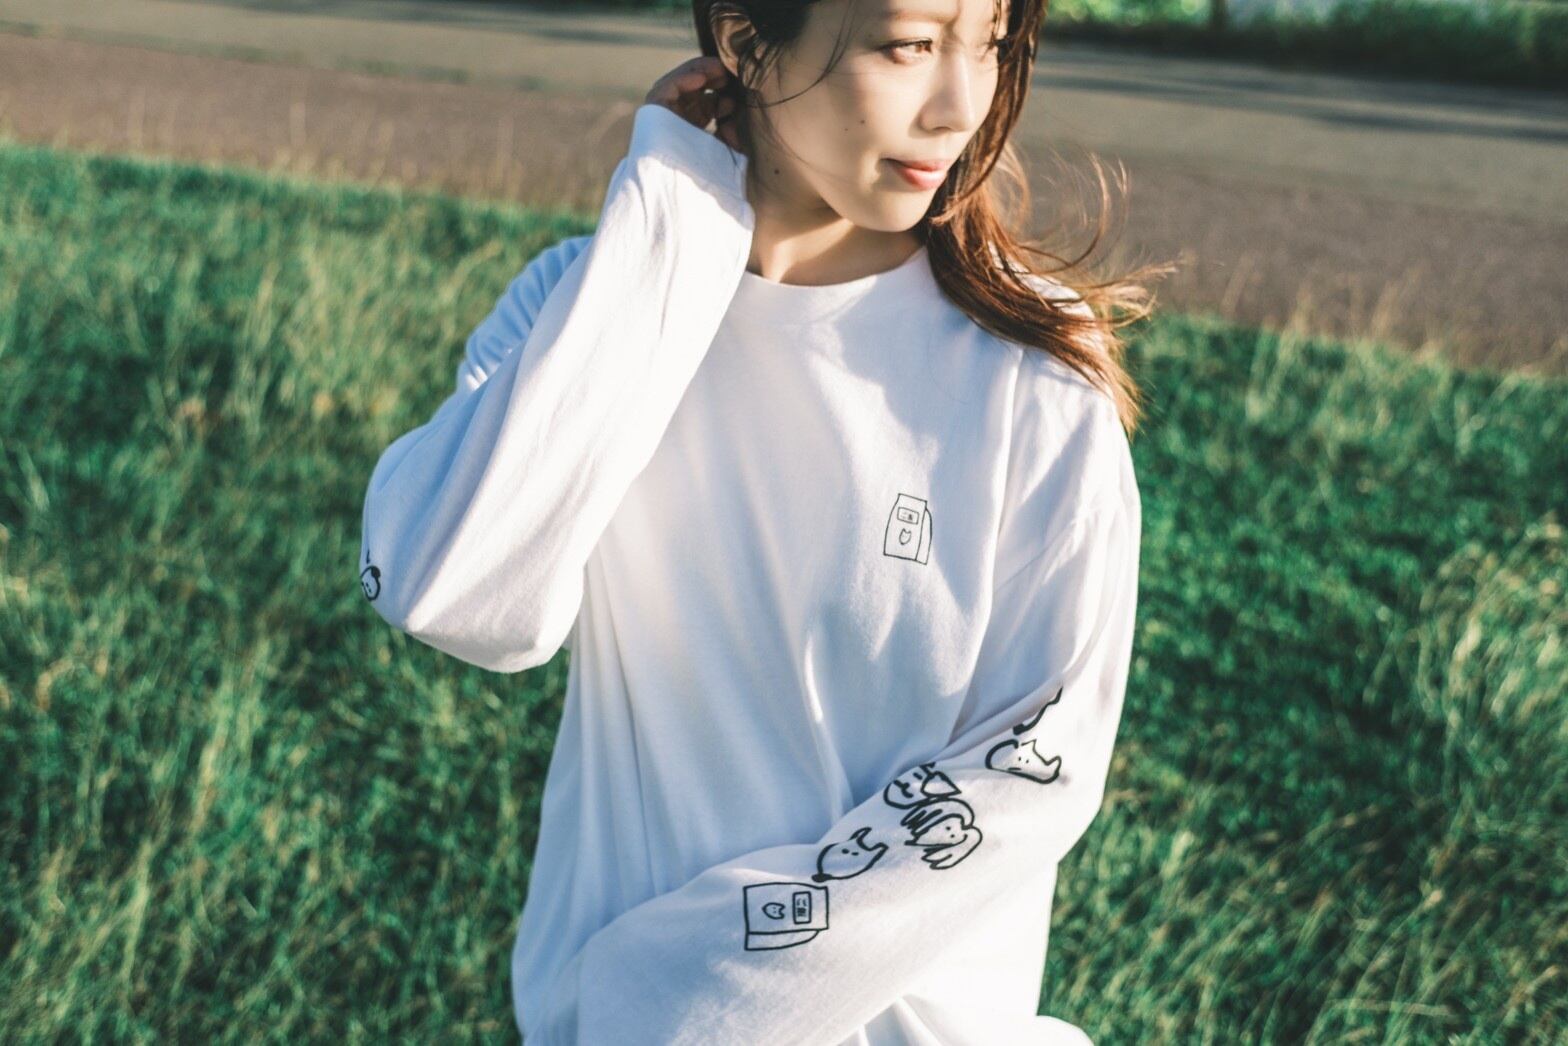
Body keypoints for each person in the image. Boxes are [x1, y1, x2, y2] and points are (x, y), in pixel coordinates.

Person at [357, 0, 1172, 1041]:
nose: (961, 105)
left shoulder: (1032, 370)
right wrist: (667, 218)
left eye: (992, 43)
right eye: (910, 45)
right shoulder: (588, 299)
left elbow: (1035, 765)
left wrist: (680, 989)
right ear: (745, 38)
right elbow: (449, 590)